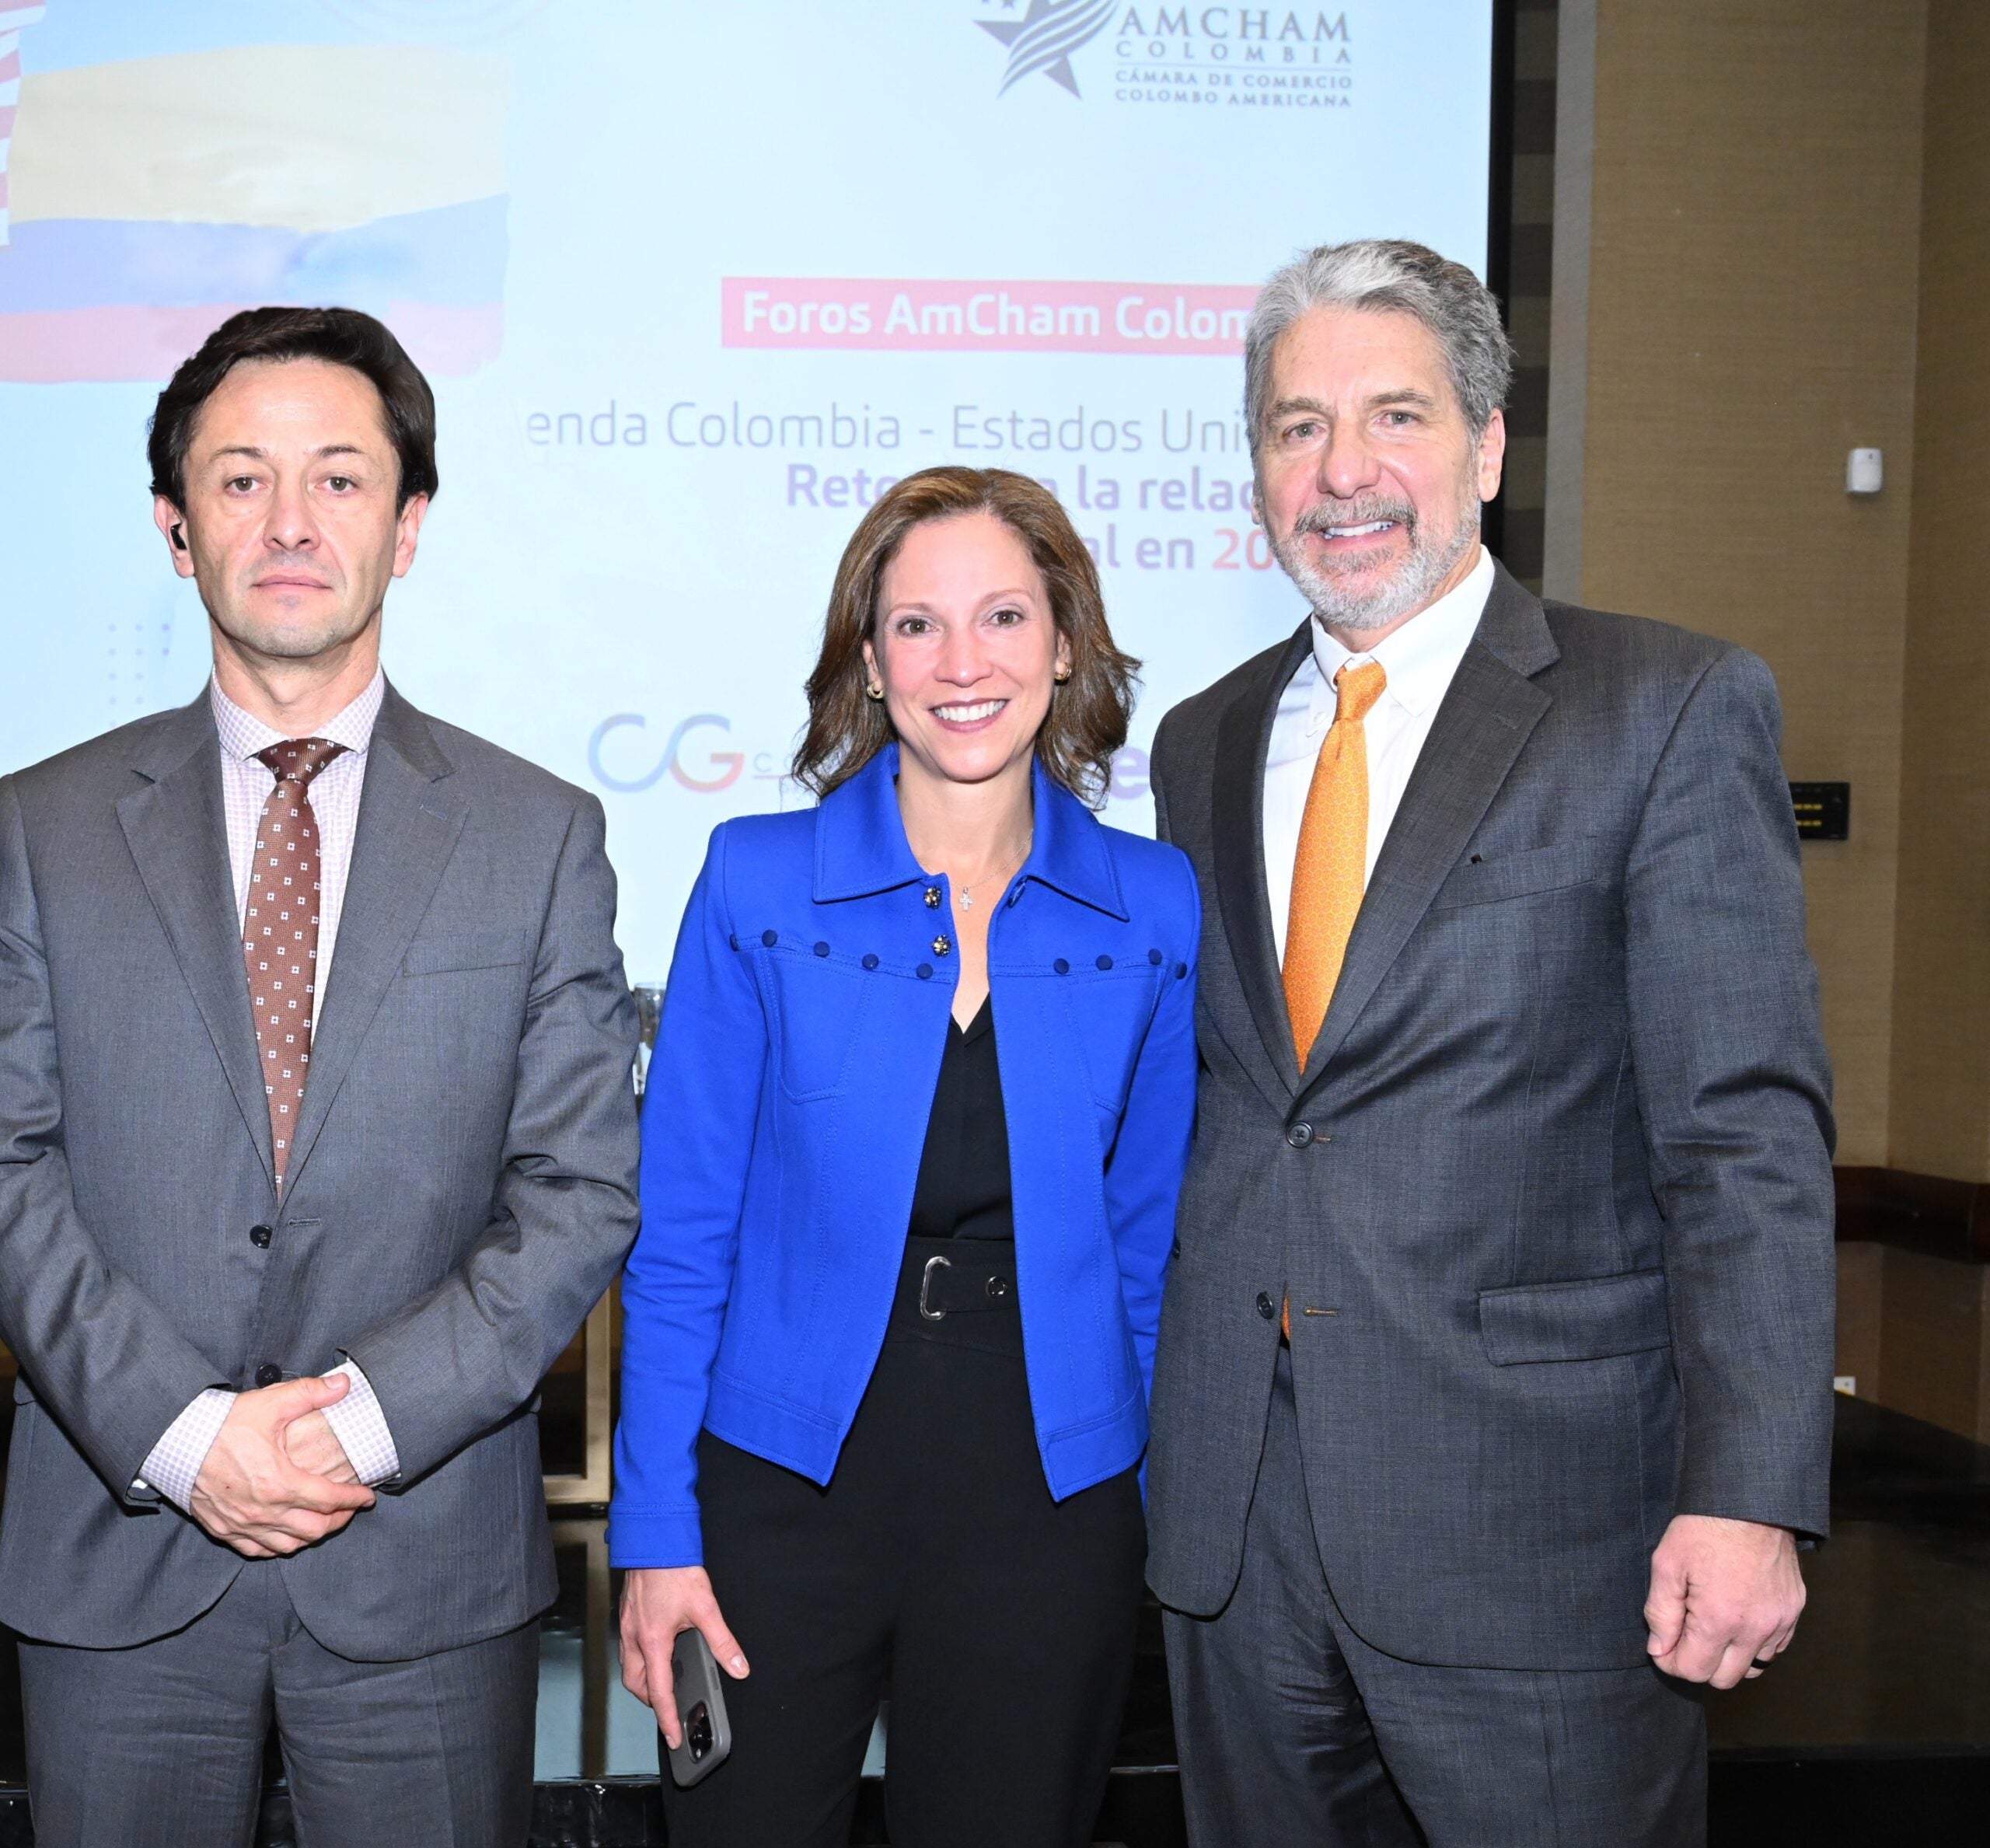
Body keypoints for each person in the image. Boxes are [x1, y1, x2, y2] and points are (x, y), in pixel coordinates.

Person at [1144, 239, 1836, 1846]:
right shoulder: (1202, 739)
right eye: (1294, 426)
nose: (1340, 472)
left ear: (1487, 445)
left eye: (1392, 416)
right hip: (1236, 1530)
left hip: (1538, 1537)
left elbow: (1740, 1133)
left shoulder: (1659, 708)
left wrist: (1746, 1490)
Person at [0, 306, 641, 1846]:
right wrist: (183, 1431)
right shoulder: (39, 828)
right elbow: (10, 1161)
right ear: (174, 529)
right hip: (119, 1552)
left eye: (340, 480)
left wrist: (352, 1424)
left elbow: (575, 1190)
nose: (290, 522)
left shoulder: (534, 833)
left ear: (408, 527)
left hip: (417, 1570)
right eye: (239, 480)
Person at [610, 466, 1199, 1848]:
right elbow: (681, 1235)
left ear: (1065, 645)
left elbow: (1151, 1246)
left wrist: (1156, 1521)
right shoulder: (757, 882)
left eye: (1002, 616)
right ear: (870, 663)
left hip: (1050, 1496)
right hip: (779, 1486)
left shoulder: (1155, 906)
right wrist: (654, 1532)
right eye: (917, 626)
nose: (962, 663)